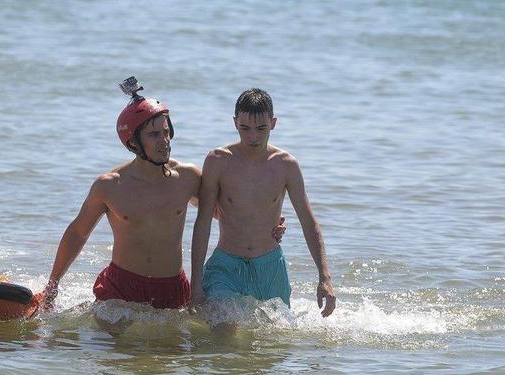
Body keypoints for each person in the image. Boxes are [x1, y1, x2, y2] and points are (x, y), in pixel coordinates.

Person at [33, 78, 286, 330]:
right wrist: (53, 286)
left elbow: (227, 212)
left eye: (166, 132)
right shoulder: (109, 186)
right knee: (111, 346)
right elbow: (78, 233)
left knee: (171, 354)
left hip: (172, 289)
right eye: (154, 135)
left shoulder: (187, 178)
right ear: (133, 141)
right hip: (121, 288)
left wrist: (270, 224)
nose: (164, 140)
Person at [190, 88, 336, 332]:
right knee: (224, 330)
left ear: (273, 123)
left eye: (261, 128)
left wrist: (325, 278)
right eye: (244, 128)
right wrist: (195, 285)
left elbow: (309, 222)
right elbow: (202, 222)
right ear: (235, 123)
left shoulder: (286, 165)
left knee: (271, 343)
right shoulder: (218, 160)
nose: (253, 137)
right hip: (226, 266)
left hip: (270, 268)